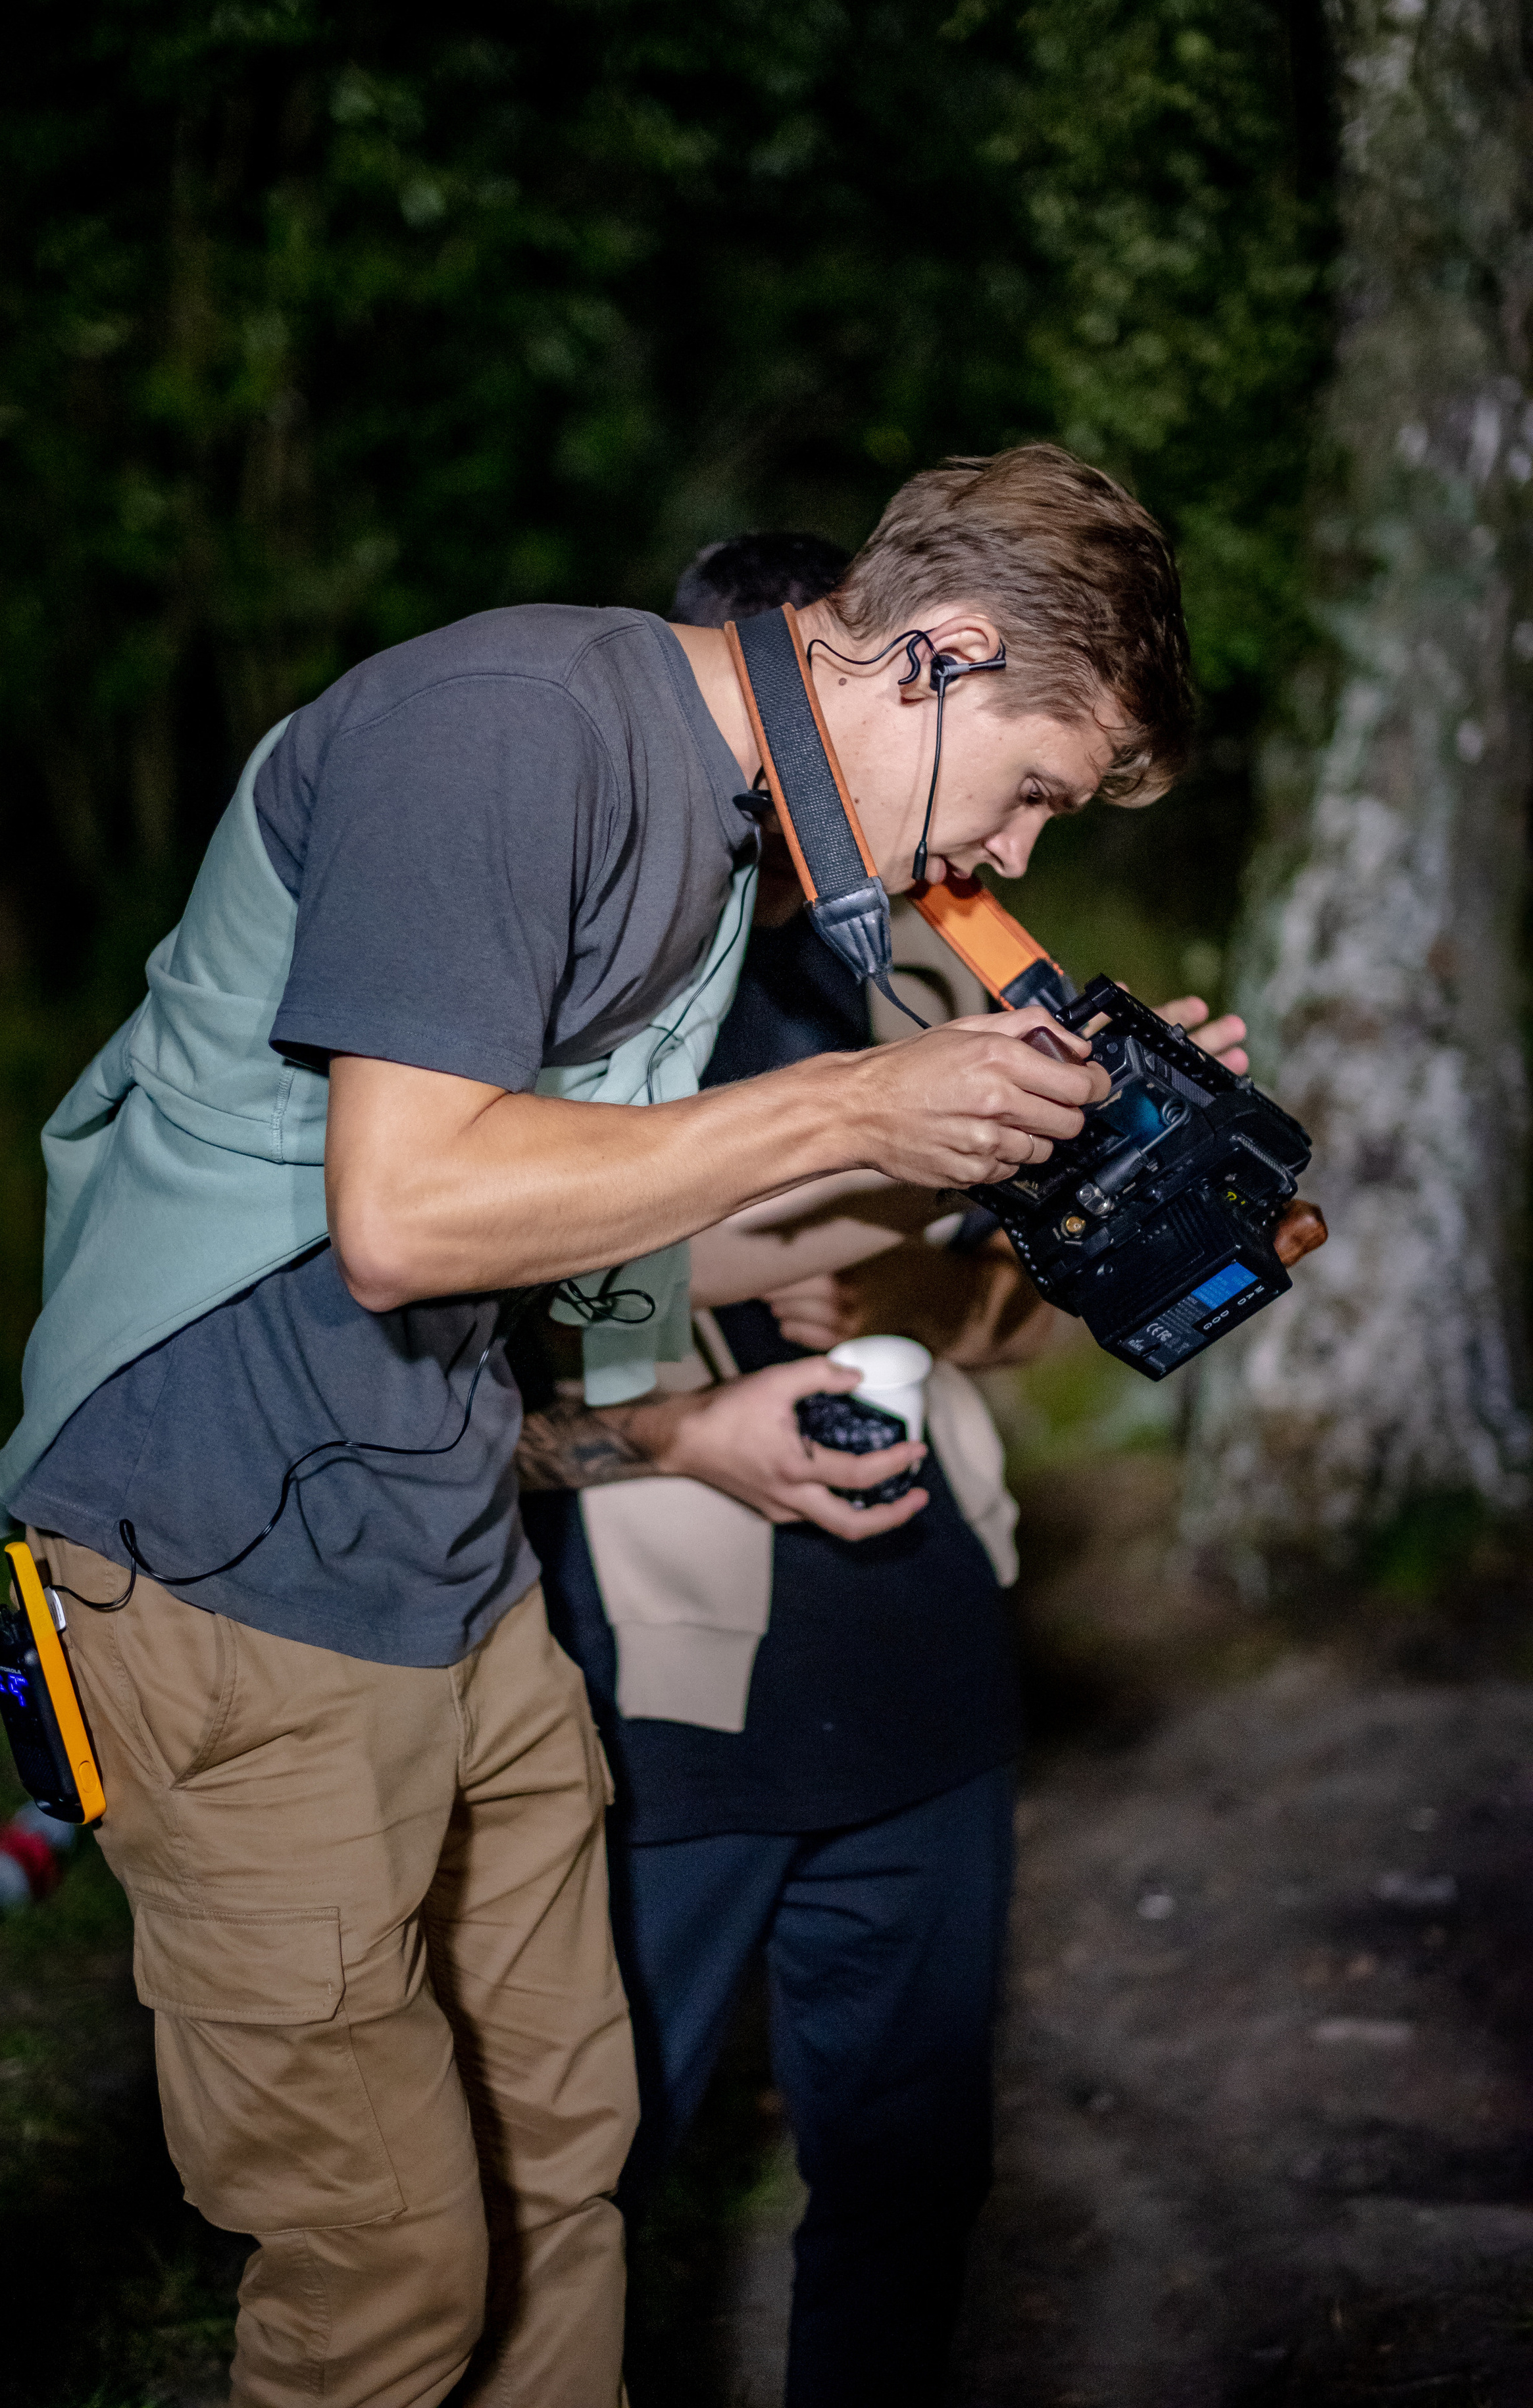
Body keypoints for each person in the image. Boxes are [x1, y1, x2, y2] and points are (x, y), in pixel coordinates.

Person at [0, 443, 1193, 2408]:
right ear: (946, 658)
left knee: (567, 2180)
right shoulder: (512, 727)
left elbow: (620, 1246)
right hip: (229, 1563)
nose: (1021, 854)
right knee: (389, 2273)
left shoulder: (717, 842)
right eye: (1039, 786)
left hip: (456, 1572)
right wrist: (855, 1114)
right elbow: (406, 1216)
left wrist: (1072, 1156)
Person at [516, 530, 1244, 2407]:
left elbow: (999, 1324)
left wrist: (1085, 1200)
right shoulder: (591, 972)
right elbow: (499, 1321)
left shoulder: (921, 958)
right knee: (583, 2187)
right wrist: (698, 1399)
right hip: (676, 1695)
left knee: (910, 2193)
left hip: (926, 1670)